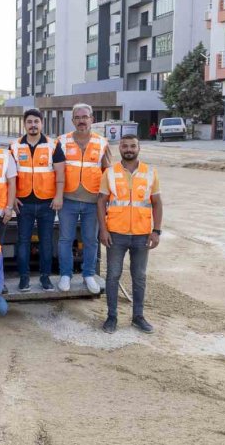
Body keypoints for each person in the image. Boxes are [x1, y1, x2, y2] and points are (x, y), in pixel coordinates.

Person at [97, 134, 162, 334]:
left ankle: (138, 317)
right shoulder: (110, 172)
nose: (129, 149)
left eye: (133, 146)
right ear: (120, 149)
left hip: (142, 234)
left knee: (139, 277)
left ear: (139, 148)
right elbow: (101, 201)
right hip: (116, 234)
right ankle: (111, 317)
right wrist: (103, 229)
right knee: (113, 276)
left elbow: (157, 203)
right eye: (125, 146)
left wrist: (156, 231)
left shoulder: (150, 172)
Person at [56, 103, 111, 294]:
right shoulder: (61, 141)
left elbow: (107, 172)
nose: (81, 120)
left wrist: (107, 199)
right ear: (72, 120)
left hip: (93, 201)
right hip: (68, 199)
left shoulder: (102, 142)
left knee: (90, 240)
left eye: (85, 117)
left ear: (91, 119)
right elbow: (55, 171)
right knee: (65, 239)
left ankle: (88, 274)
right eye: (77, 117)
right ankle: (65, 275)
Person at [10, 108, 65, 291]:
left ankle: (45, 278)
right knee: (23, 241)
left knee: (46, 241)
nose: (33, 125)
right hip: (23, 203)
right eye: (29, 122)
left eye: (36, 121)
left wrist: (58, 196)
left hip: (46, 203)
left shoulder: (53, 145)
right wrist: (13, 198)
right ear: (24, 125)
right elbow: (9, 176)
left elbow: (60, 174)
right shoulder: (15, 146)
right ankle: (24, 278)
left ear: (42, 123)